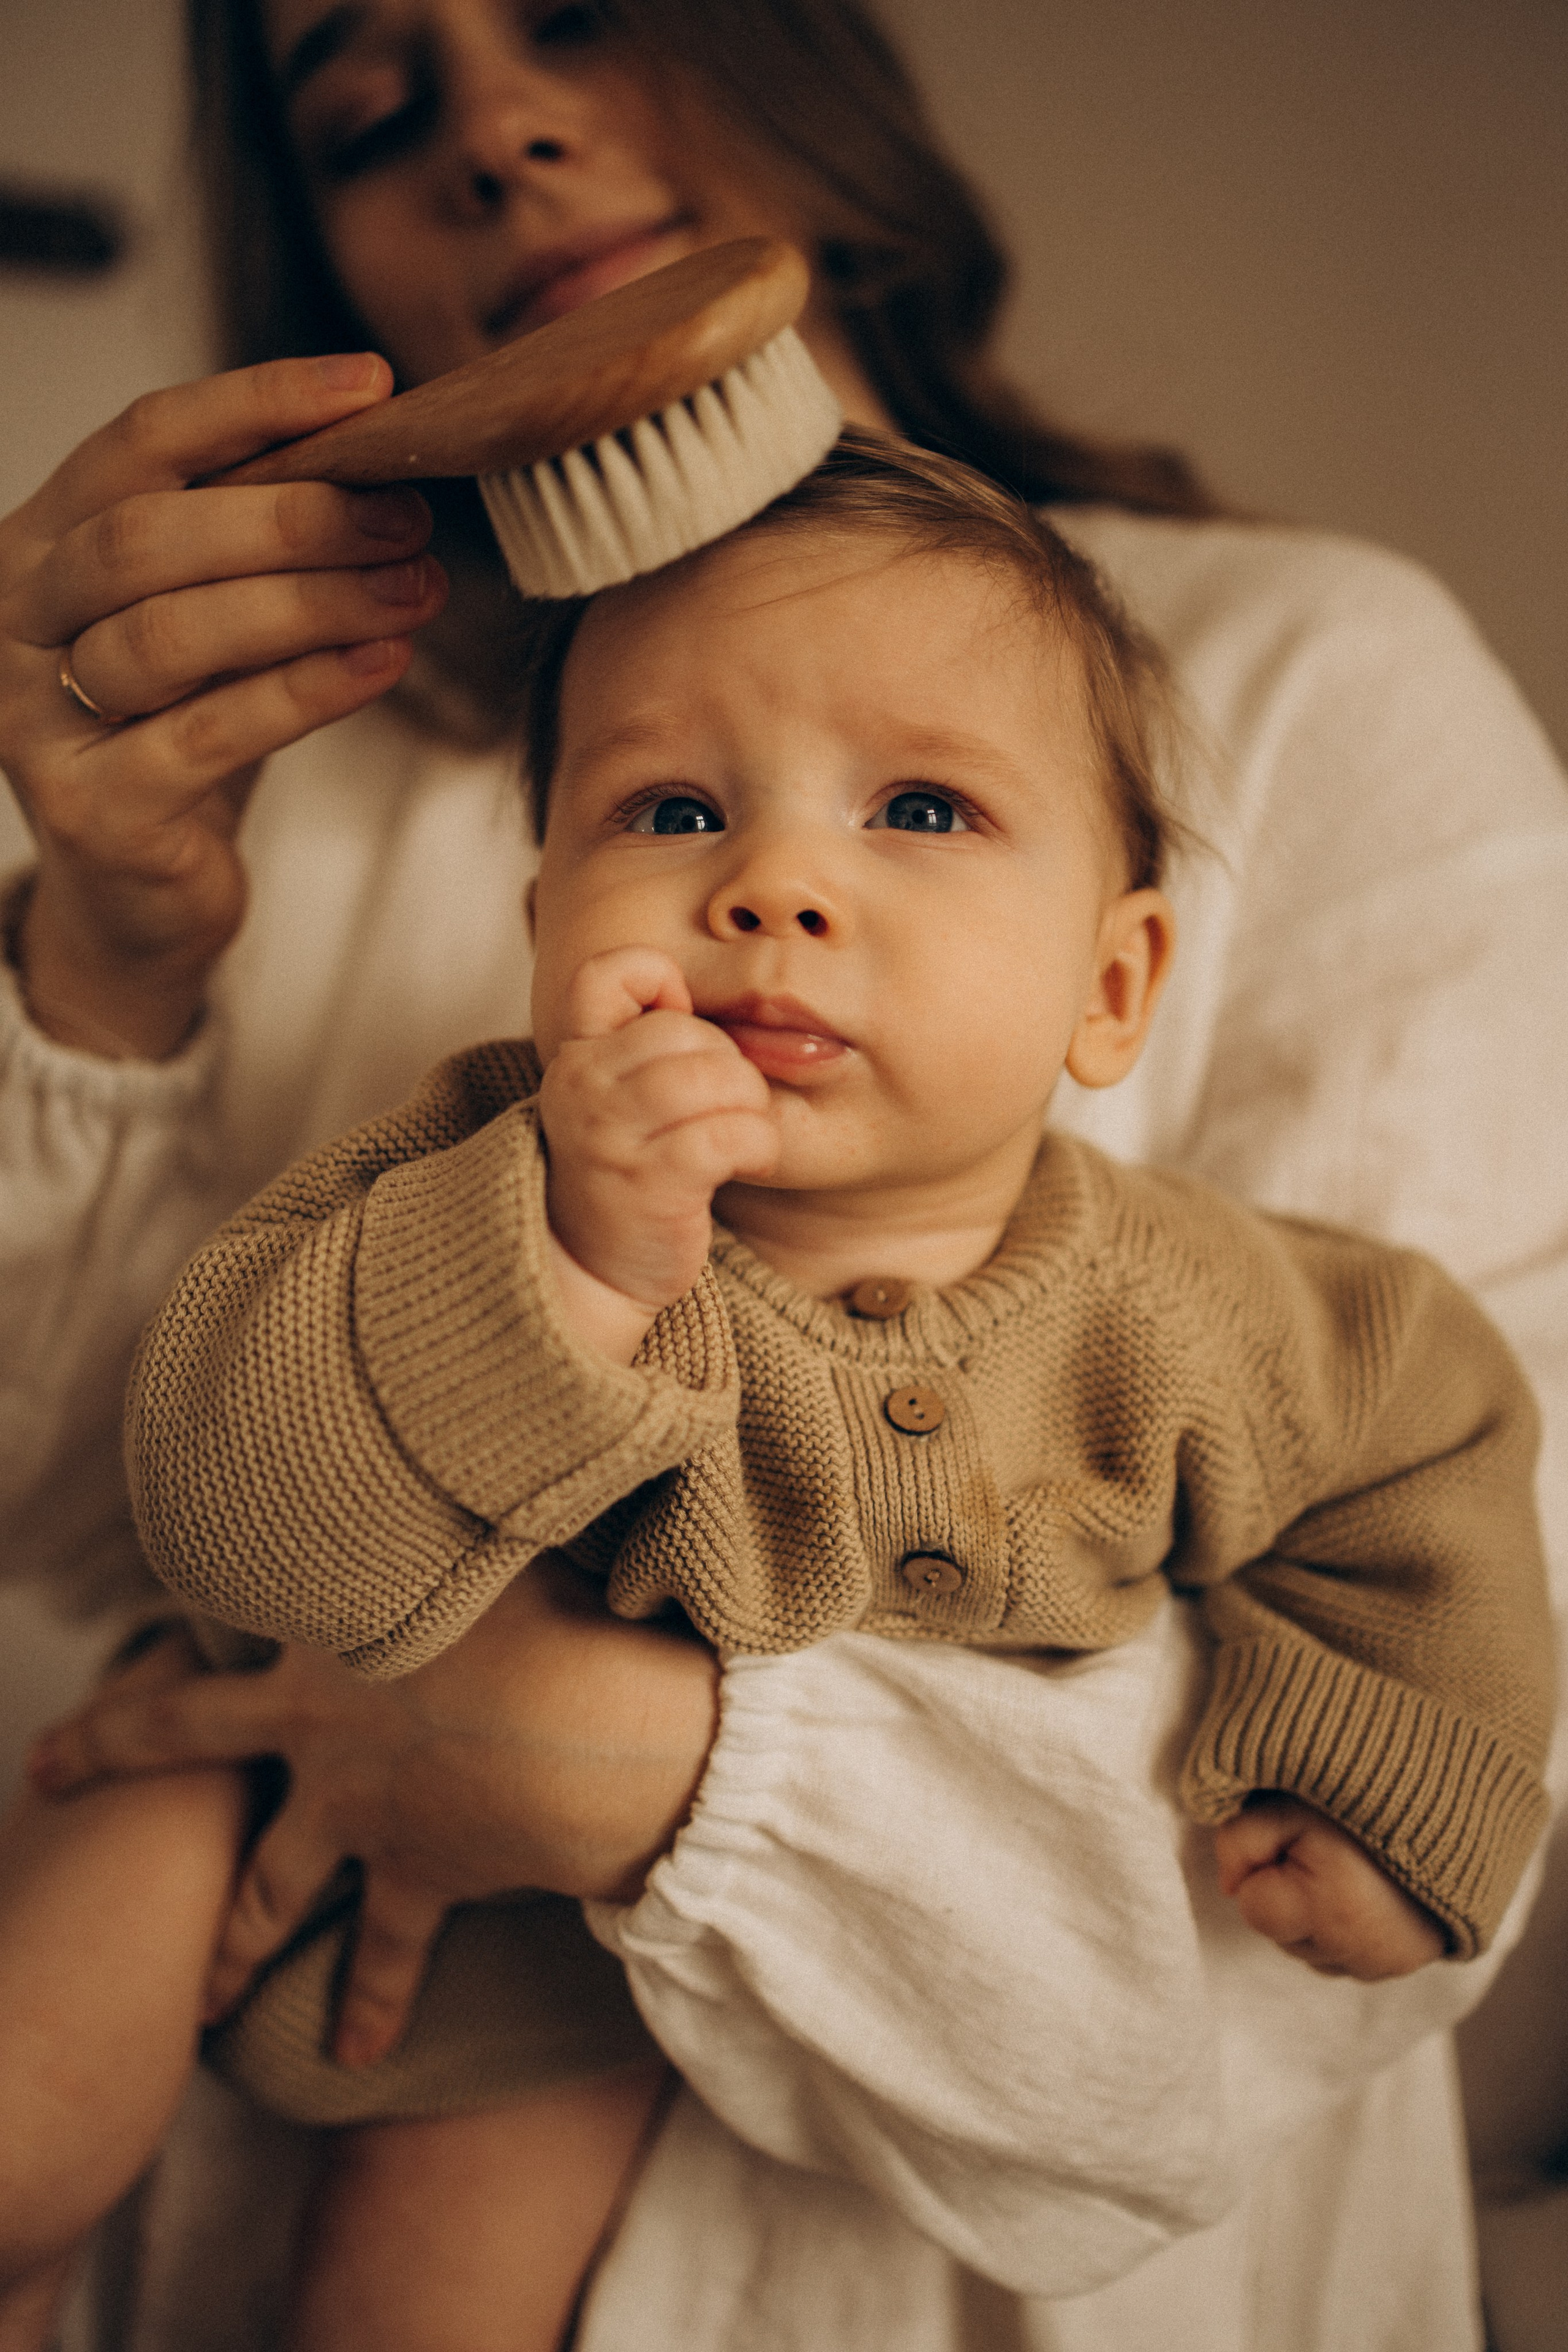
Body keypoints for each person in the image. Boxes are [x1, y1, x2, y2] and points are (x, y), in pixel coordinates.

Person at [0, 3, 1563, 2348]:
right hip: (233, 1795)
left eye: (583, 15)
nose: (500, 138)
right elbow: (151, 1498)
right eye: (367, 110)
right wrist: (110, 972)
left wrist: (577, 1753)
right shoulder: (312, 843)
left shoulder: (1298, 696)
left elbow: (1431, 1551)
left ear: (1118, 976)